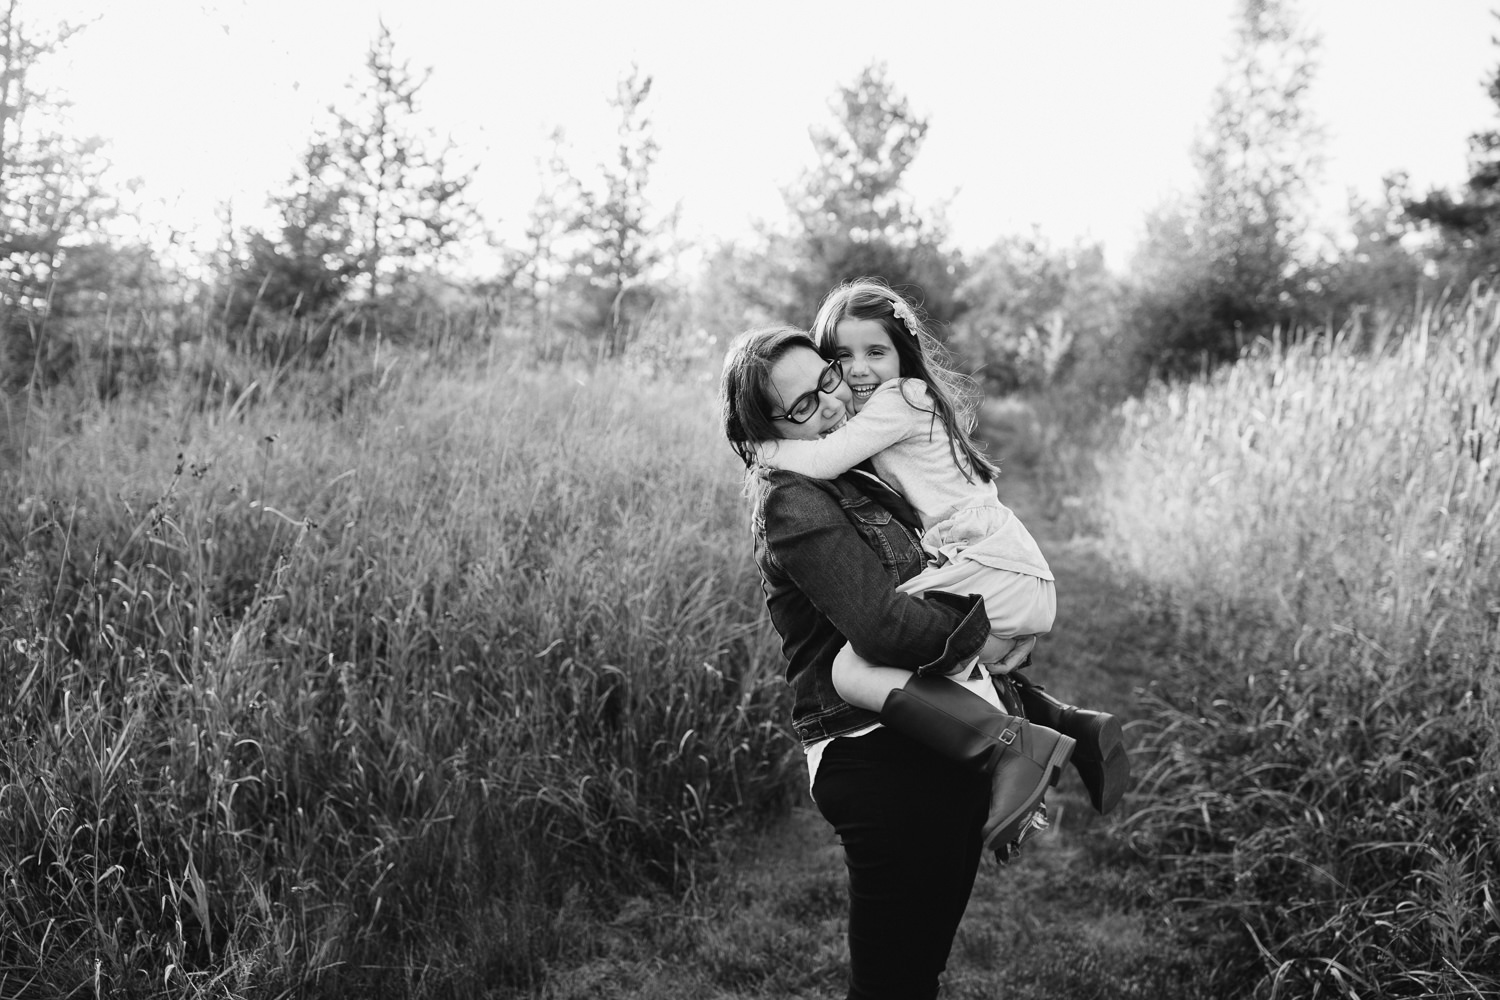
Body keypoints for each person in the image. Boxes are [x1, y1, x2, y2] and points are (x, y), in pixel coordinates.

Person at [719, 325, 1074, 1000]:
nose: (828, 402)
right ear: (765, 427)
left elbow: (936, 574)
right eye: (799, 407)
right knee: (891, 983)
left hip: (933, 743)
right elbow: (883, 625)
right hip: (878, 761)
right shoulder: (793, 495)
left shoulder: (857, 470)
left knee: (918, 971)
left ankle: (1030, 734)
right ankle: (1031, 738)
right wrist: (983, 635)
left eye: (826, 379)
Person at [755, 278, 1129, 815]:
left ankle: (1015, 751)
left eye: (875, 352)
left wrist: (757, 445)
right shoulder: (891, 411)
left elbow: (819, 460)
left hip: (993, 563)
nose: (858, 369)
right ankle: (1063, 722)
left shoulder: (899, 398)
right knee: (929, 637)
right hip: (1003, 564)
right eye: (842, 356)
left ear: (903, 354)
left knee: (853, 670)